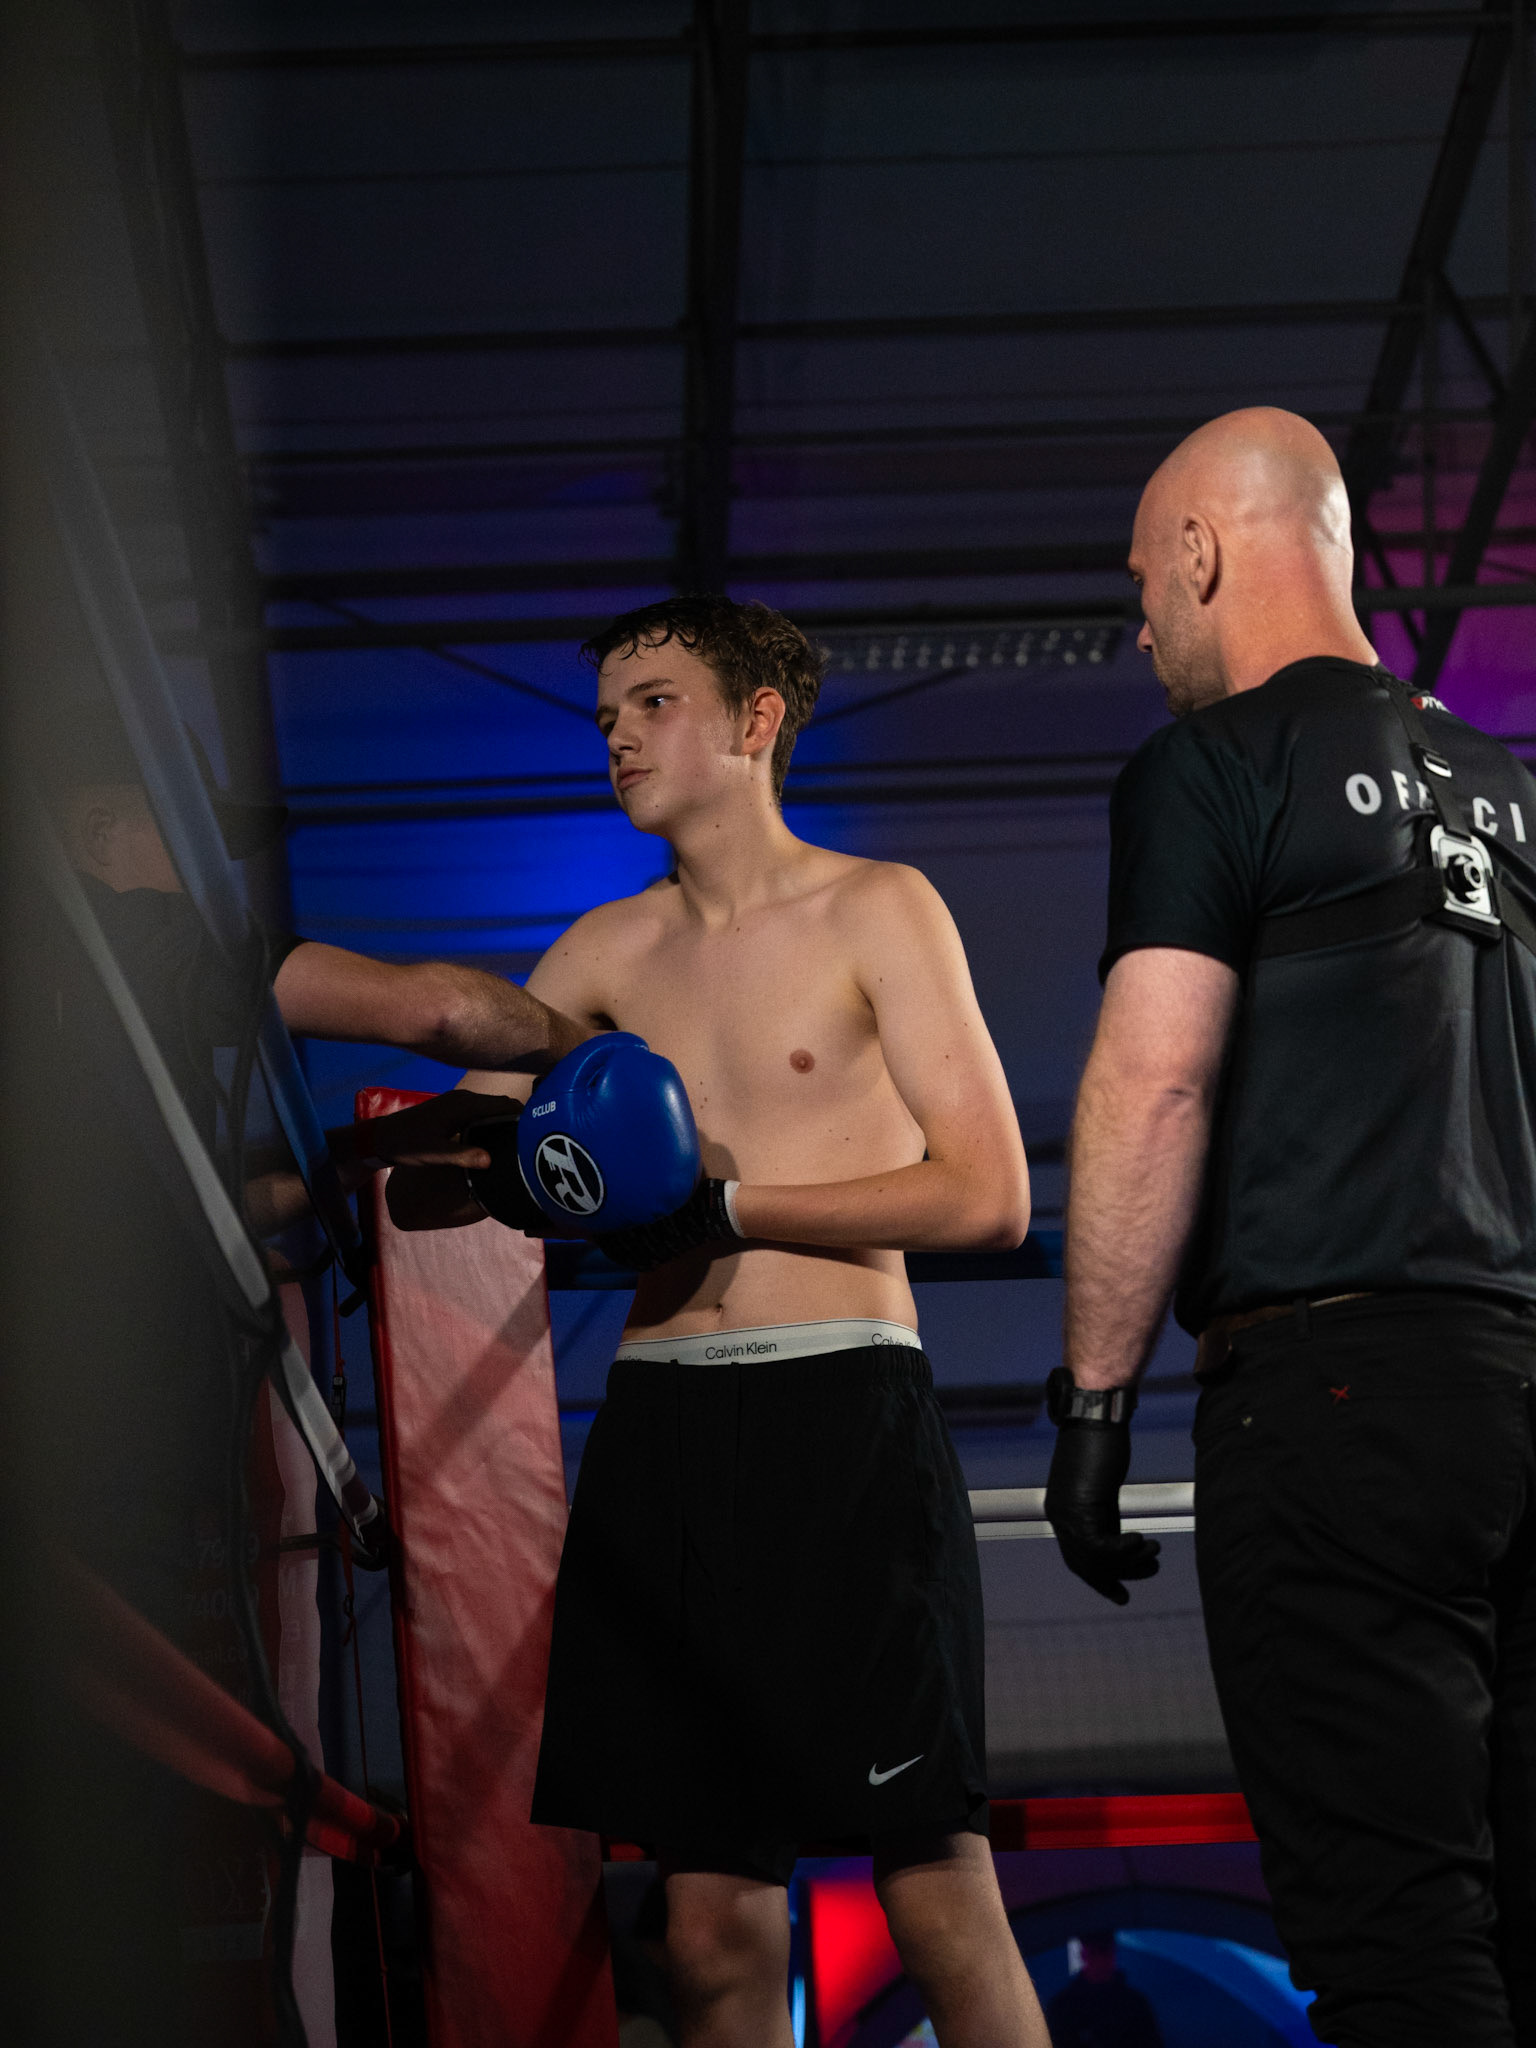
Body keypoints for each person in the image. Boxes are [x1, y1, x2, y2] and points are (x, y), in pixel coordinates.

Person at [389, 594, 1048, 2048]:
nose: (618, 737)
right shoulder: (599, 952)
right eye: (606, 715)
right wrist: (483, 1162)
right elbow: (440, 1177)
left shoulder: (879, 906)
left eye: (654, 703)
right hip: (666, 1428)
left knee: (939, 1897)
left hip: (845, 1410)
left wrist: (725, 1209)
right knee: (707, 1930)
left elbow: (989, 1194)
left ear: (757, 720)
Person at [1046, 407, 1536, 2048]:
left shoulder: (1213, 766)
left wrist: (1093, 1402)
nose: (1142, 631)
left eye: (1142, 585)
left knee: (1396, 1934)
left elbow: (1155, 1083)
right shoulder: (1508, 787)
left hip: (1340, 1397)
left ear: (1200, 551)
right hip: (1520, 1375)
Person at [43, 701, 588, 1223]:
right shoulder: (133, 935)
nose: (208, 874)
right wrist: (594, 1050)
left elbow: (218, 1209)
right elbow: (437, 1011)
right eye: (190, 840)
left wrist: (374, 1143)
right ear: (99, 831)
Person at [1046, 1932, 1163, 2048]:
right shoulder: (1063, 2007)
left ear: (1114, 1953)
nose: (1100, 1961)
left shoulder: (1135, 2005)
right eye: (1094, 1953)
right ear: (1083, 1954)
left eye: (1104, 1952)